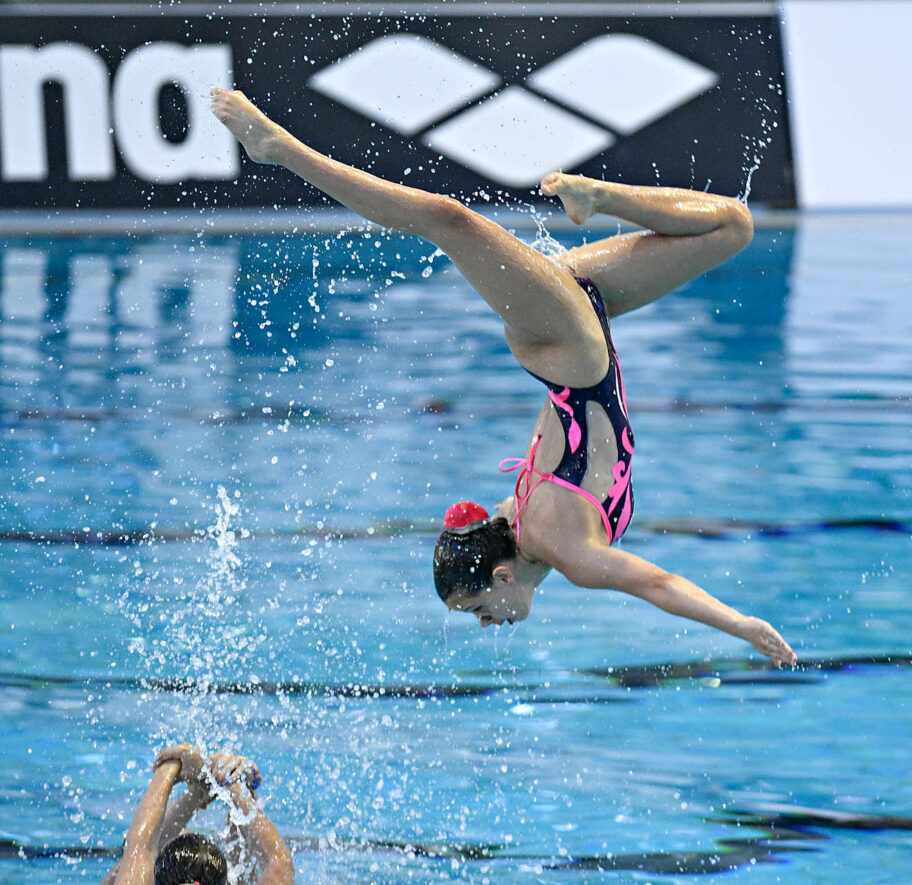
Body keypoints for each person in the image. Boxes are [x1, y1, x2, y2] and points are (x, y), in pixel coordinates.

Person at [211, 88, 797, 666]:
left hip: (564, 339)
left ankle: (280, 149)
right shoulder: (520, 526)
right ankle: (598, 196)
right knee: (732, 227)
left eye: (478, 609)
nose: (488, 622)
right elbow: (644, 577)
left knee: (449, 221)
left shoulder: (565, 549)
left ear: (501, 575)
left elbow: (659, 585)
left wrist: (740, 626)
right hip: (586, 323)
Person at [100, 743, 294, 885]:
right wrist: (234, 784)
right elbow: (279, 863)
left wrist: (172, 766)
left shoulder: (126, 874)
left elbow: (140, 847)